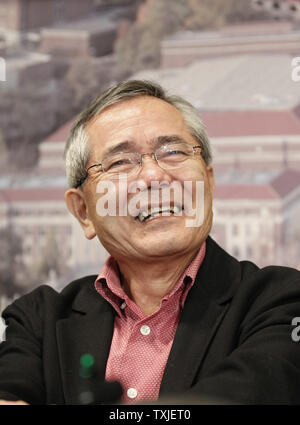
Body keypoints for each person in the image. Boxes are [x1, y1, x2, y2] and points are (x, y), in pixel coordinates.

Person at [1, 80, 300, 405]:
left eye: (173, 152)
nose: (154, 177)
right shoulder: (39, 321)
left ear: (209, 185)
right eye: (120, 162)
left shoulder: (282, 301)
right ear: (84, 212)